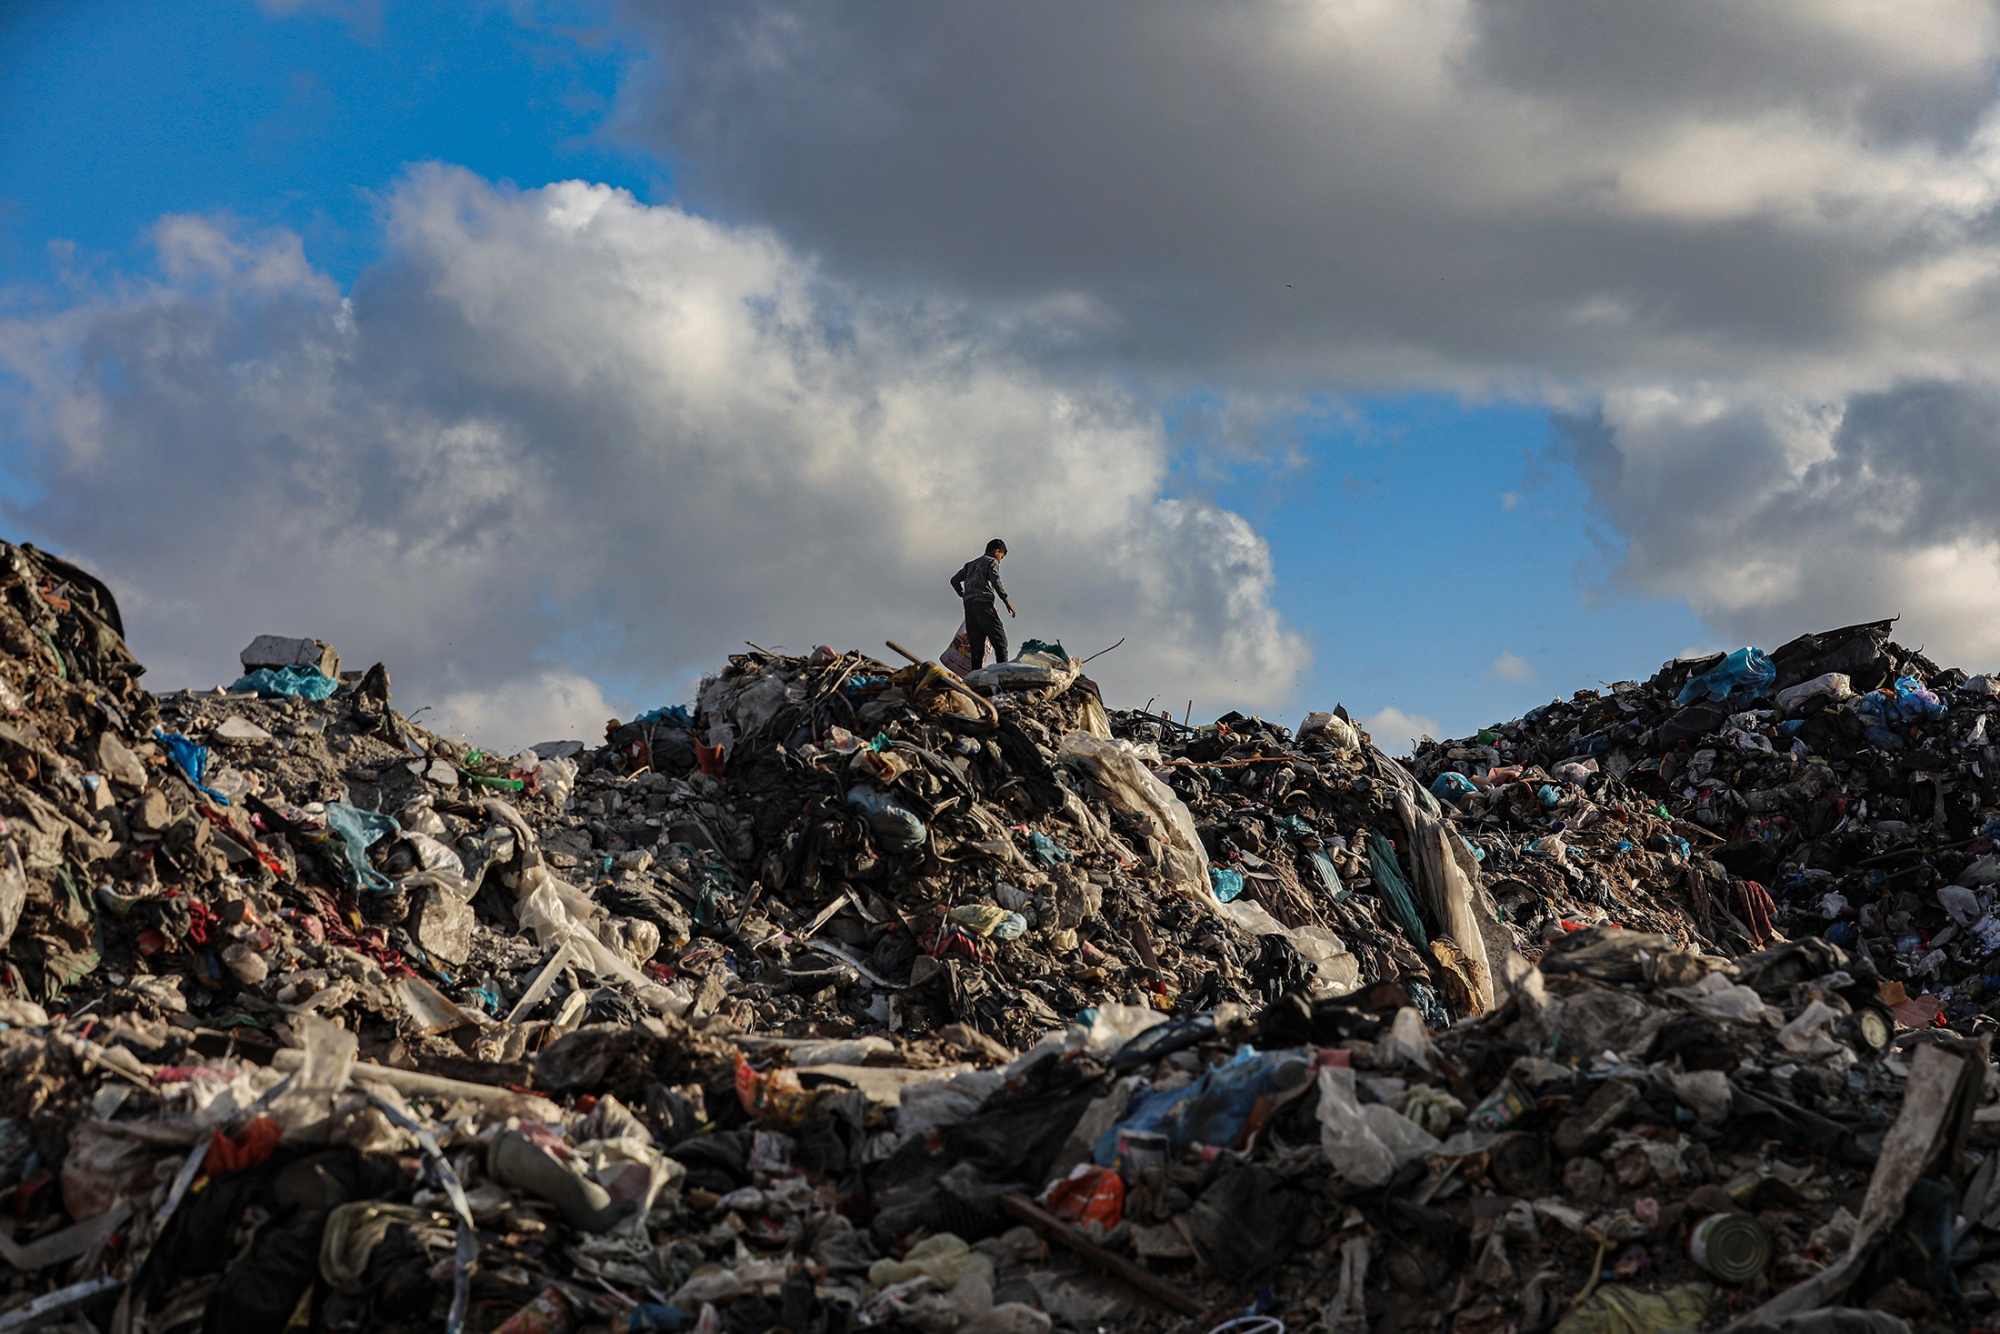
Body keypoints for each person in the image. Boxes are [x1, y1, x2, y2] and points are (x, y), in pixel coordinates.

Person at [950, 538, 1016, 669]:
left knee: (976, 645)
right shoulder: (991, 561)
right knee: (1000, 640)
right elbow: (996, 581)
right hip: (983, 604)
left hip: (969, 607)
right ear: (996, 552)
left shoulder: (970, 565)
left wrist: (963, 594)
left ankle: (974, 678)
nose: (1000, 561)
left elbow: (954, 580)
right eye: (1001, 557)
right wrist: (1006, 601)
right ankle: (1003, 672)